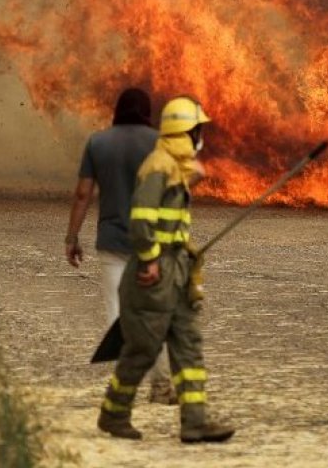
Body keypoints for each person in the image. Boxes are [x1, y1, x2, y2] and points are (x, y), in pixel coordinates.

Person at [97, 96, 235, 443]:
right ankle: (114, 414)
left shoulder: (174, 165)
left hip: (176, 271)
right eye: (198, 130)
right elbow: (141, 220)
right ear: (186, 132)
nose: (201, 136)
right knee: (142, 348)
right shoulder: (159, 167)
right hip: (154, 274)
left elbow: (197, 173)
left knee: (188, 343)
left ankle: (195, 422)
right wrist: (149, 259)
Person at [64, 88, 176, 404]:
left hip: (111, 243)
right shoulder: (160, 144)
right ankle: (161, 385)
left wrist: (72, 237)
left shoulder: (98, 143)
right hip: (152, 244)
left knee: (118, 317)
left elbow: (83, 194)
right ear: (146, 112)